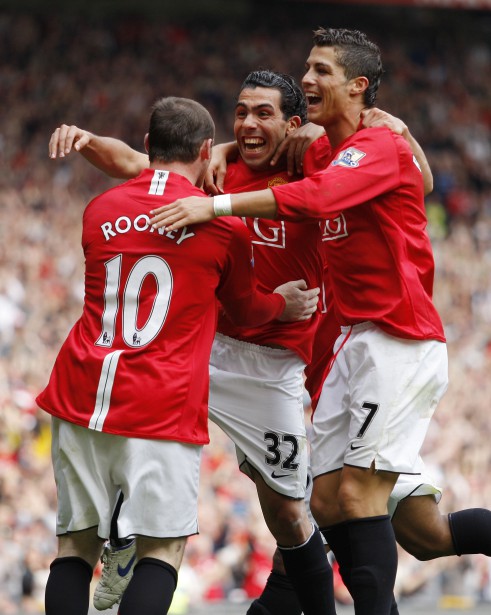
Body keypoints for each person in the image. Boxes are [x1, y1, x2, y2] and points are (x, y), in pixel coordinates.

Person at [148, 28, 450, 615]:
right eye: (306, 69)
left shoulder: (376, 148)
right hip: (348, 345)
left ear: (358, 86)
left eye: (322, 71)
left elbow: (317, 199)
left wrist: (215, 205)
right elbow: (274, 145)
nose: (308, 79)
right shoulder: (316, 146)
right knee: (369, 516)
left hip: (398, 336)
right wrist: (227, 151)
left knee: (356, 500)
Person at [48, 73, 337, 615]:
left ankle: (119, 536)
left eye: (264, 114)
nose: (249, 123)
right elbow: (138, 162)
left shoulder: (311, 170)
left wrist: (320, 136)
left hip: (268, 367)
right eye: (241, 112)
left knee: (290, 511)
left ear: (293, 123)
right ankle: (125, 539)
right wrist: (89, 140)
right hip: (198, 352)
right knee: (164, 540)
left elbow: (360, 178)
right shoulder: (212, 176)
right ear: (212, 142)